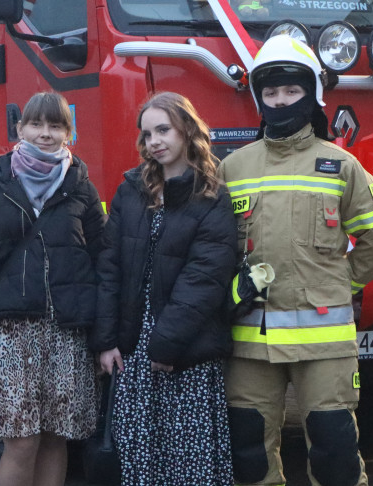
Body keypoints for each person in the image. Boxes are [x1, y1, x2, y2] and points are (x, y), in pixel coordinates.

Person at [217, 35, 373, 486]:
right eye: (271, 93)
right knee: (248, 453)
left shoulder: (341, 165)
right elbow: (212, 249)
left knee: (335, 449)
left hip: (325, 344)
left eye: (291, 91)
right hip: (249, 342)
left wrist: (341, 284)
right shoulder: (232, 168)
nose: (280, 101)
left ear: (312, 95)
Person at [0, 92, 106, 486]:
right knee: (20, 441)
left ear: (68, 133)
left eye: (56, 126)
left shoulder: (82, 187)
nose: (45, 134)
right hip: (9, 334)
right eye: (36, 124)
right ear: (19, 129)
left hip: (66, 332)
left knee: (56, 438)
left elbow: (104, 262)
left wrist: (104, 335)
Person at [93, 91, 236, 485]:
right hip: (134, 352)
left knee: (188, 465)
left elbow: (204, 279)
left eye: (163, 129)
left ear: (187, 130)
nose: (154, 141)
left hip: (185, 354)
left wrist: (166, 345)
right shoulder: (130, 191)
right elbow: (110, 269)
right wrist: (106, 341)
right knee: (140, 463)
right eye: (147, 133)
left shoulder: (212, 198)